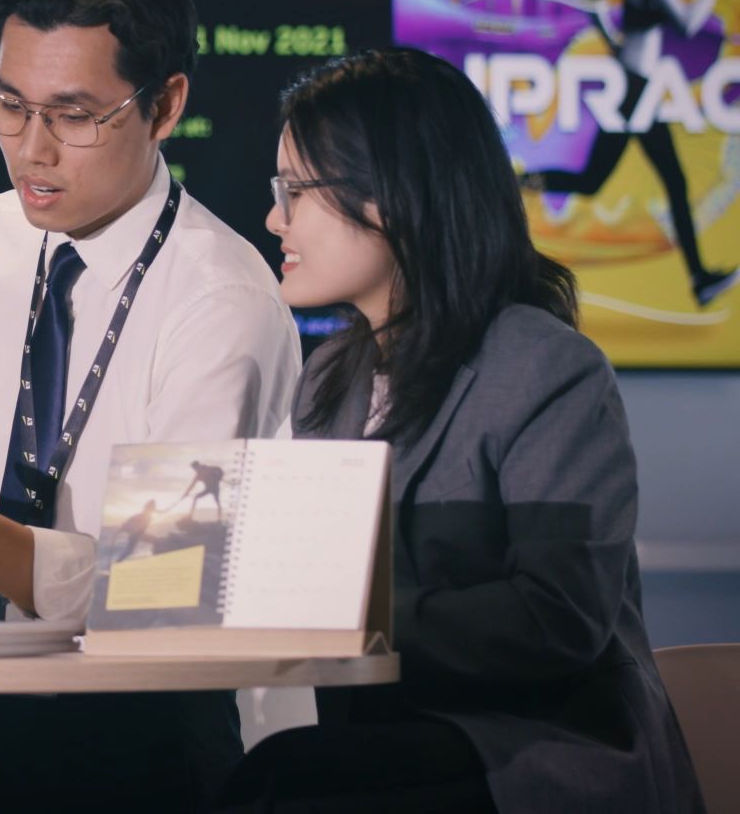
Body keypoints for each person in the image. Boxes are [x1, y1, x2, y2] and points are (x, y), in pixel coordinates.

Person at [0, 0, 303, 810]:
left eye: (74, 114)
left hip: (143, 729)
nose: (32, 151)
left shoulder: (220, 299)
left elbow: (160, 586)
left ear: (166, 104)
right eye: (10, 107)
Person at [218, 47, 704, 813]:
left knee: (283, 789)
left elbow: (556, 618)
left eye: (296, 190)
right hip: (398, 738)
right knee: (258, 776)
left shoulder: (547, 369)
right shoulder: (329, 381)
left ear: (391, 196)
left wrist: (346, 613)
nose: (275, 218)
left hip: (541, 755)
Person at [522, 0, 735, 307]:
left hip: (637, 88)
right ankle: (700, 278)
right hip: (638, 90)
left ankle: (518, 179)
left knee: (594, 180)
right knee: (669, 182)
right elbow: (688, 24)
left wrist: (605, 29)